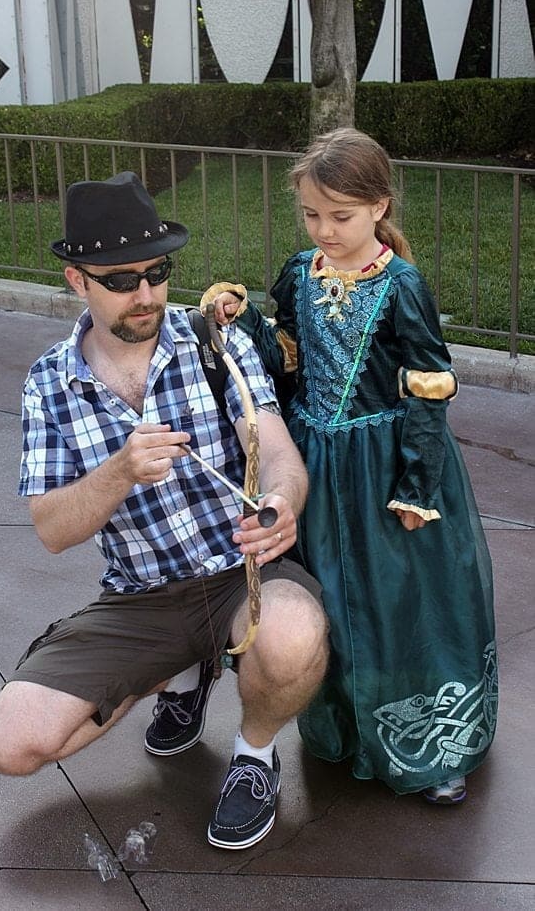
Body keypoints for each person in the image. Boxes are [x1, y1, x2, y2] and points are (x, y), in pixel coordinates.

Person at [0, 171, 328, 851]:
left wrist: (282, 502)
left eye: (157, 271)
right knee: (9, 742)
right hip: (142, 597)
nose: (145, 294)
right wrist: (118, 472)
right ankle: (173, 671)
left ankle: (255, 756)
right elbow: (52, 529)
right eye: (121, 279)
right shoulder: (51, 383)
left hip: (241, 573)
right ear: (77, 280)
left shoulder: (213, 341)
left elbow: (279, 452)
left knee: (293, 636)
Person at [195, 127, 498, 804]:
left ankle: (429, 744)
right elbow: (288, 365)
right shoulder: (299, 274)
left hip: (388, 466)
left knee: (399, 600)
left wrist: (418, 484)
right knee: (331, 593)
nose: (324, 229)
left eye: (342, 215)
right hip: (317, 465)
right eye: (311, 214)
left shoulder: (401, 286)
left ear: (380, 207)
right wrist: (241, 322)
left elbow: (430, 385)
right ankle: (348, 729)